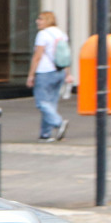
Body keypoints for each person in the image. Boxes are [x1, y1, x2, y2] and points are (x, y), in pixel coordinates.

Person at [25, 11, 70, 141]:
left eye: (40, 19)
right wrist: (67, 74)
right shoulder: (61, 34)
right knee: (51, 104)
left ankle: (59, 123)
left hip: (44, 72)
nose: (37, 21)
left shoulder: (43, 34)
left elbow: (37, 56)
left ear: (47, 20)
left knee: (41, 103)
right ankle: (45, 134)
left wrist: (31, 75)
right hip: (59, 71)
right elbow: (64, 56)